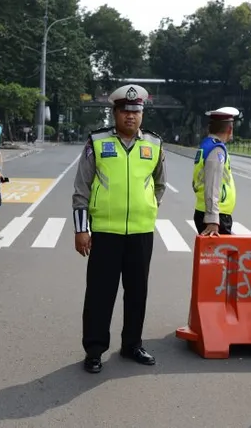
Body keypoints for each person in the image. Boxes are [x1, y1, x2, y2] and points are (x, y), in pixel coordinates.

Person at [71, 84, 167, 374]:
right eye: (125, 110)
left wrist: (149, 207)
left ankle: (132, 345)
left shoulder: (154, 144)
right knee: (100, 294)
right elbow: (81, 189)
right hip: (105, 232)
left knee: (137, 292)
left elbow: (160, 185)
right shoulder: (97, 143)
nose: (130, 116)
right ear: (114, 112)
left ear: (142, 115)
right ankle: (95, 349)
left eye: (136, 111)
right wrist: (81, 229)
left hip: (141, 232)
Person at [192, 107, 240, 236]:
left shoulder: (207, 145)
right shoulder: (216, 149)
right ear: (230, 129)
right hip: (216, 216)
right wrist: (213, 220)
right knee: (220, 255)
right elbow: (212, 185)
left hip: (207, 211)